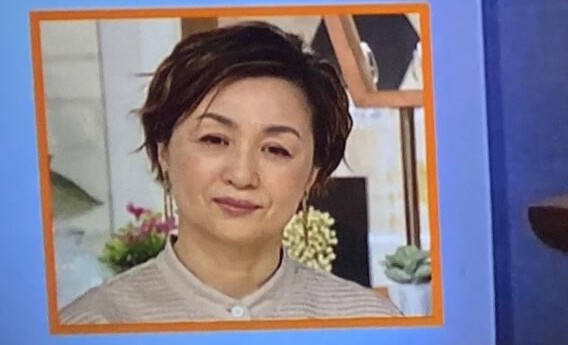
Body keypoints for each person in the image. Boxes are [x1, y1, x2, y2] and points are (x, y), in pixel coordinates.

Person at [62, 21, 402, 323]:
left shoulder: (370, 323)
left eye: (276, 149)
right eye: (214, 139)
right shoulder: (92, 324)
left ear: (312, 175)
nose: (241, 175)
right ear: (163, 151)